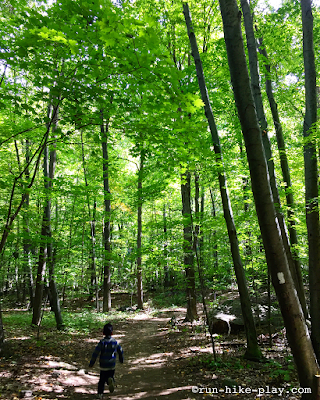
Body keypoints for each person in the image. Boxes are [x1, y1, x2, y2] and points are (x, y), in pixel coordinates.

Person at [89, 323, 124, 399]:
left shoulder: (102, 342)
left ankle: (100, 394)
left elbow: (95, 353)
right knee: (110, 375)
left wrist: (92, 363)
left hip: (103, 365)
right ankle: (110, 380)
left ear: (103, 333)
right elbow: (120, 351)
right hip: (112, 364)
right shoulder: (115, 342)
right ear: (112, 332)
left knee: (102, 380)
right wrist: (121, 359)